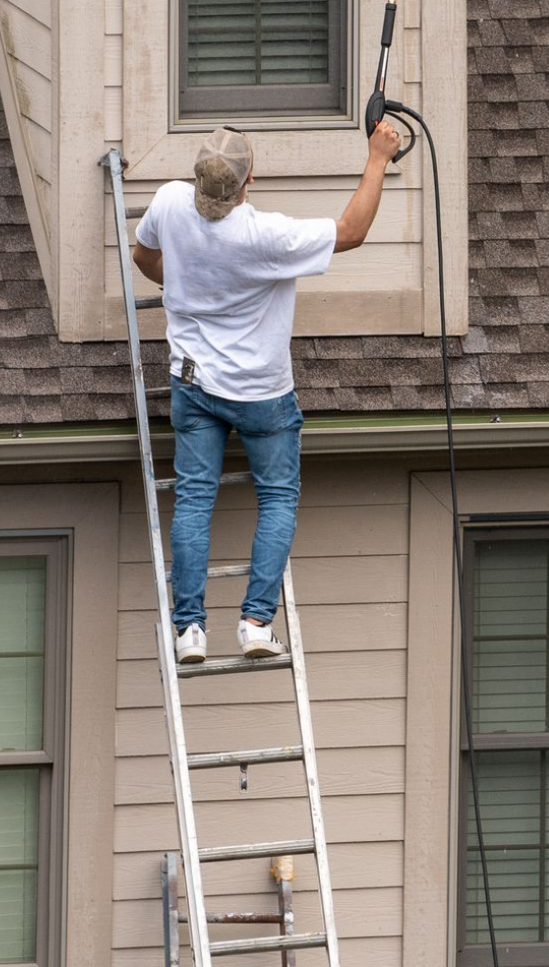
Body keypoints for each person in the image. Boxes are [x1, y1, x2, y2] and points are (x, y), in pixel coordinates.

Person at [133, 119, 405, 663]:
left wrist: (189, 281)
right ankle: (256, 623)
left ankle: (190, 632)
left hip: (192, 383)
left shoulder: (167, 202)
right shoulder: (265, 235)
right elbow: (350, 231)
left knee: (194, 500)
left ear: (197, 178)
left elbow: (143, 259)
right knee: (277, 498)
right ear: (247, 182)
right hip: (261, 394)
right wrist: (378, 157)